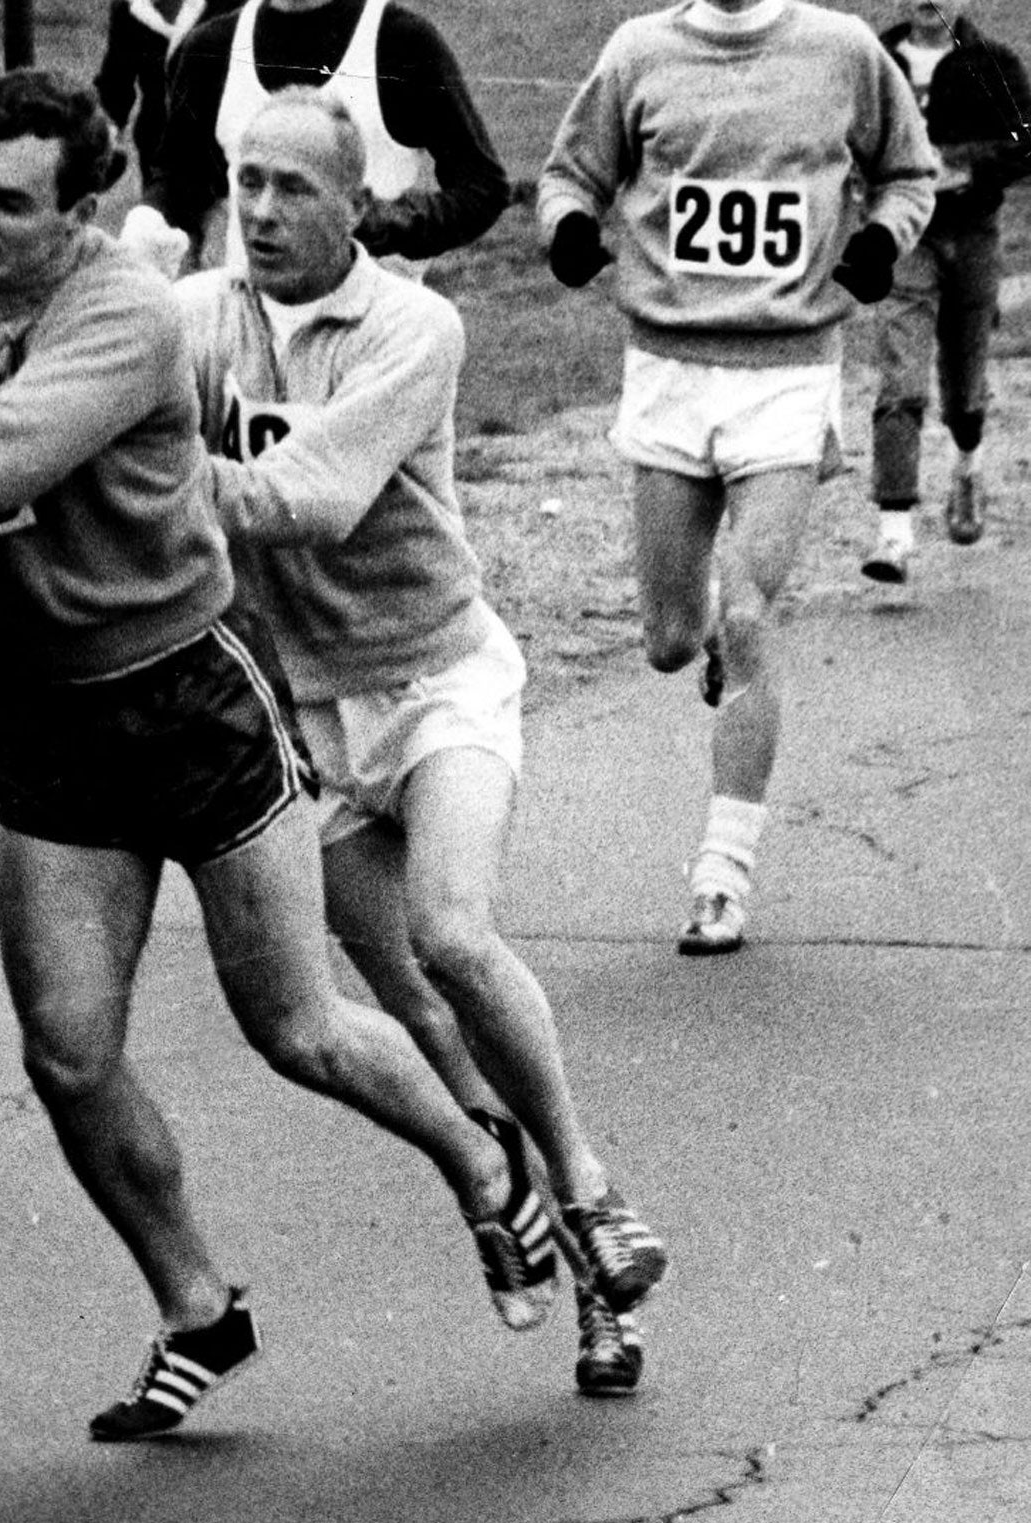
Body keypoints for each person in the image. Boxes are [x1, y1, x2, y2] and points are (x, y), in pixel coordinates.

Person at [0, 69, 562, 1443]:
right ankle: (196, 1309)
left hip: (188, 697)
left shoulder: (125, 312)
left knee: (297, 1026)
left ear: (83, 206)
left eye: (13, 202)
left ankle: (480, 1159)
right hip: (45, 720)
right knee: (68, 1057)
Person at [174, 88, 667, 1398]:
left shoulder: (415, 324)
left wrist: (139, 474)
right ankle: (566, 1270)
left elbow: (320, 498)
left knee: (454, 934)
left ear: (357, 204)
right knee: (431, 1040)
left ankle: (589, 1185)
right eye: (245, 182)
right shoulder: (189, 318)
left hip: (436, 678)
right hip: (303, 717)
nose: (263, 211)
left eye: (292, 188)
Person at [538, 0, 936, 955]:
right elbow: (569, 174)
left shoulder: (842, 50)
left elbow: (908, 172)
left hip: (788, 369)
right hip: (669, 368)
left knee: (752, 606)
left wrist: (881, 241)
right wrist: (567, 230)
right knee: (672, 641)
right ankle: (707, 630)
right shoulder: (639, 51)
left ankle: (722, 876)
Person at [119, 0, 508, 278]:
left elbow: (483, 187)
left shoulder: (401, 41)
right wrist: (148, 220)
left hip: (374, 328)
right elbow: (179, 180)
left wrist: (386, 222)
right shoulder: (211, 47)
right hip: (253, 322)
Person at [862, 0, 1031, 583]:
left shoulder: (993, 63)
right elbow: (851, 139)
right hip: (905, 236)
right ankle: (894, 533)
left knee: (964, 389)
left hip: (974, 234)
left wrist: (960, 165)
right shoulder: (876, 59)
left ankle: (967, 464)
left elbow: (1025, 141)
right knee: (901, 378)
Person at [93, 0, 245, 178]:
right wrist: (104, 136)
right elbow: (115, 87)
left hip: (223, 150)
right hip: (157, 149)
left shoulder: (234, 7)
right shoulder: (128, 9)